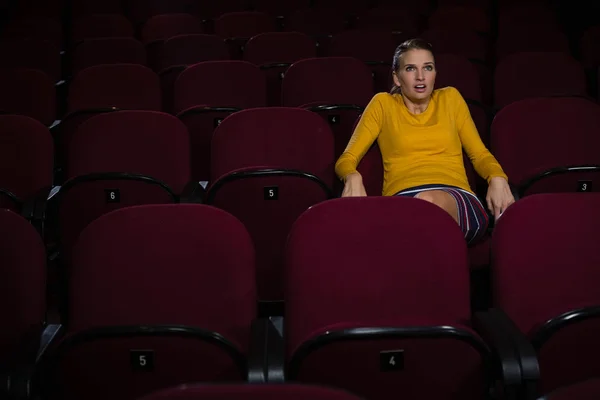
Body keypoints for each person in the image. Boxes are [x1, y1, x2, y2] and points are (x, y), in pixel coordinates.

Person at [335, 38, 515, 244]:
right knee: (411, 217)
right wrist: (352, 177)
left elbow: (479, 154)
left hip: (456, 199)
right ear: (397, 77)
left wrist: (497, 177)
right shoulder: (382, 104)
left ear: (435, 73)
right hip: (401, 201)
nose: (420, 77)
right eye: (411, 68)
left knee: (426, 204)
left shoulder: (451, 99)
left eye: (427, 68)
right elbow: (346, 158)